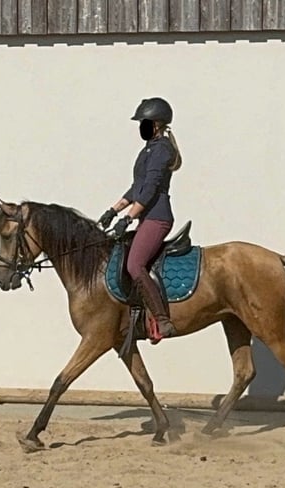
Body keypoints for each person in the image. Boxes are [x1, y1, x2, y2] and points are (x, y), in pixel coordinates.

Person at [98, 97, 183, 343]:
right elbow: (137, 187)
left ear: (155, 124)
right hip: (145, 216)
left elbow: (150, 188)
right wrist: (113, 210)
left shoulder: (162, 150)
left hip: (157, 217)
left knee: (135, 264)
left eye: (144, 123)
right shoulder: (149, 149)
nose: (141, 127)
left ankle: (163, 319)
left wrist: (128, 217)